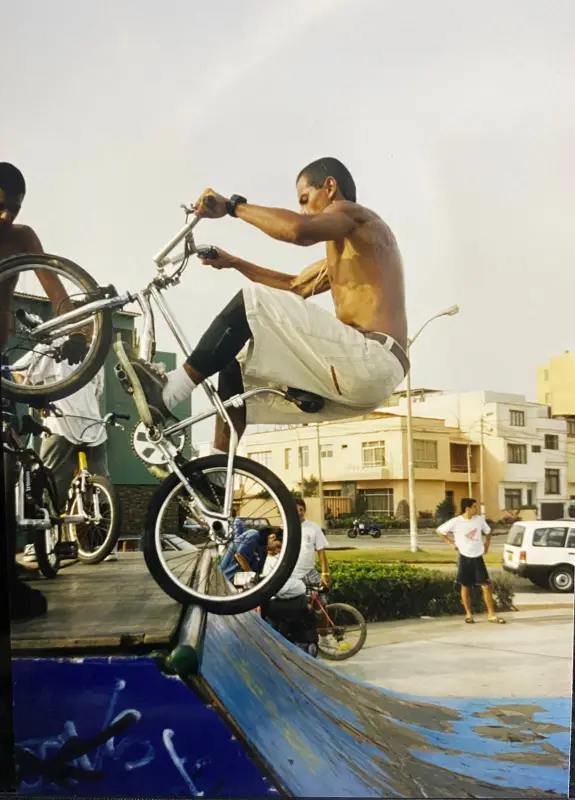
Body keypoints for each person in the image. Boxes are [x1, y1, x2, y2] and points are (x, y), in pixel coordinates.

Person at [115, 157, 409, 452]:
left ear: (330, 187)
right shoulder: (351, 252)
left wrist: (233, 207)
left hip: (373, 357)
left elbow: (298, 230)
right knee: (235, 369)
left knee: (252, 299)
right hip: (362, 375)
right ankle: (218, 469)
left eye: (305, 200)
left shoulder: (354, 215)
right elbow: (295, 286)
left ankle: (169, 392)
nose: (304, 211)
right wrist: (234, 262)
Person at [0, 162, 86, 620]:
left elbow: (56, 289)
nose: (6, 217)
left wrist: (76, 329)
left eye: (14, 209)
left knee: (10, 458)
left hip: (0, 362)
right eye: (0, 207)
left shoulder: (22, 238)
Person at [12, 344, 113, 563]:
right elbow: (19, 372)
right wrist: (37, 400)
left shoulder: (95, 350)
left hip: (92, 426)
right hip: (60, 425)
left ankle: (99, 543)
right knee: (50, 485)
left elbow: (95, 392)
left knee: (99, 486)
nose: (87, 328)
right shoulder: (50, 346)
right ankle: (39, 544)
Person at [437, 498, 506, 625]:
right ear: (467, 508)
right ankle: (468, 614)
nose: (476, 508)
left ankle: (491, 615)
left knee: (486, 586)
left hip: (477, 556)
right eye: (474, 506)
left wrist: (487, 544)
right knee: (465, 586)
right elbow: (440, 531)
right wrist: (451, 543)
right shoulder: (456, 521)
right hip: (464, 556)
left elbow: (488, 532)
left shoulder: (479, 520)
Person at [292, 497, 331, 589]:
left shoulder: (314, 528)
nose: (299, 512)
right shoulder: (284, 529)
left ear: (305, 511)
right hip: (289, 576)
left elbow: (321, 552)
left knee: (321, 596)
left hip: (309, 573)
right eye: (296, 510)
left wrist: (325, 573)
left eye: (301, 509)